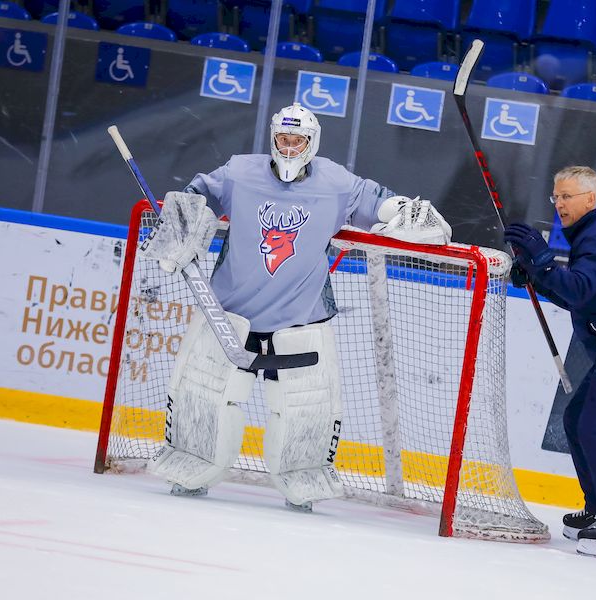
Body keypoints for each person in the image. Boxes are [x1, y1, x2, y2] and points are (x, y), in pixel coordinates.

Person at [140, 102, 452, 512]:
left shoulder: (337, 183)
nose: (289, 148)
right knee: (201, 397)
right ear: (272, 139)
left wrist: (410, 214)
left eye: (298, 140)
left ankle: (302, 479)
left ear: (312, 142)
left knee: (306, 410)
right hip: (228, 313)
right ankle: (192, 466)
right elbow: (199, 193)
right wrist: (182, 217)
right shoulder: (239, 172)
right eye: (283, 140)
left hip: (301, 319)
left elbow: (383, 204)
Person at [504, 166, 596, 561]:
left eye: (568, 196)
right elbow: (577, 298)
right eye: (556, 197)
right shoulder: (587, 237)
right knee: (576, 420)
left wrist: (543, 262)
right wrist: (538, 276)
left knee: (594, 424)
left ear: (591, 200)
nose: (559, 204)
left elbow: (579, 287)